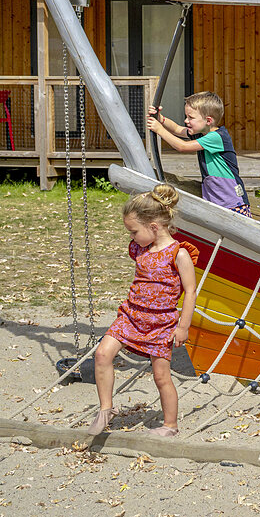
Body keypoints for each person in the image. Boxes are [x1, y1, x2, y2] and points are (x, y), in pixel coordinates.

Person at [88, 184, 198, 437]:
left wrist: (183, 327)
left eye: (134, 231)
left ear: (154, 227)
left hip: (161, 324)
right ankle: (106, 408)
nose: (132, 237)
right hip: (132, 315)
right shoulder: (140, 248)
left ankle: (170, 426)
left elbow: (190, 291)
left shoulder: (178, 254)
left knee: (161, 377)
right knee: (103, 354)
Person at [147, 91, 251, 216]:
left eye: (191, 117)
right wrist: (160, 119)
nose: (186, 120)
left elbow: (182, 146)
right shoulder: (203, 133)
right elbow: (177, 129)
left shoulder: (217, 137)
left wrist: (159, 129)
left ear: (208, 120)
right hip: (217, 203)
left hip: (233, 203)